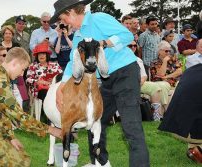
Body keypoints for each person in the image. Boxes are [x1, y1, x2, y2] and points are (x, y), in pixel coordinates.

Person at [50, 0, 150, 166]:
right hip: (104, 81)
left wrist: (102, 44)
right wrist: (61, 88)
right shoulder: (78, 36)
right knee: (95, 123)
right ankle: (101, 163)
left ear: (71, 13)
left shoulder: (98, 18)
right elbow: (71, 62)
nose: (63, 23)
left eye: (62, 18)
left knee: (131, 127)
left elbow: (127, 36)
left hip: (125, 73)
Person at [158, 63, 202, 164]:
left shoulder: (192, 70)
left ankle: (194, 148)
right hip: (191, 131)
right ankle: (198, 149)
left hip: (175, 126)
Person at [129, 41, 171, 121]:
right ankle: (165, 111)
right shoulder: (155, 62)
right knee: (162, 84)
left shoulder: (138, 59)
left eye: (135, 45)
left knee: (155, 87)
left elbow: (144, 75)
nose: (133, 47)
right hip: (126, 83)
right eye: (130, 46)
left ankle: (156, 116)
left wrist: (140, 83)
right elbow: (160, 75)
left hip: (140, 82)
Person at [26, 42, 62, 122]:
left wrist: (53, 80)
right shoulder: (33, 66)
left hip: (54, 88)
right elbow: (28, 80)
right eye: (39, 54)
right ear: (37, 56)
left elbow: (62, 77)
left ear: (47, 55)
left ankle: (60, 117)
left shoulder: (55, 65)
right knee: (46, 93)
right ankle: (51, 119)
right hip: (40, 90)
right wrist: (38, 81)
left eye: (43, 54)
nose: (41, 56)